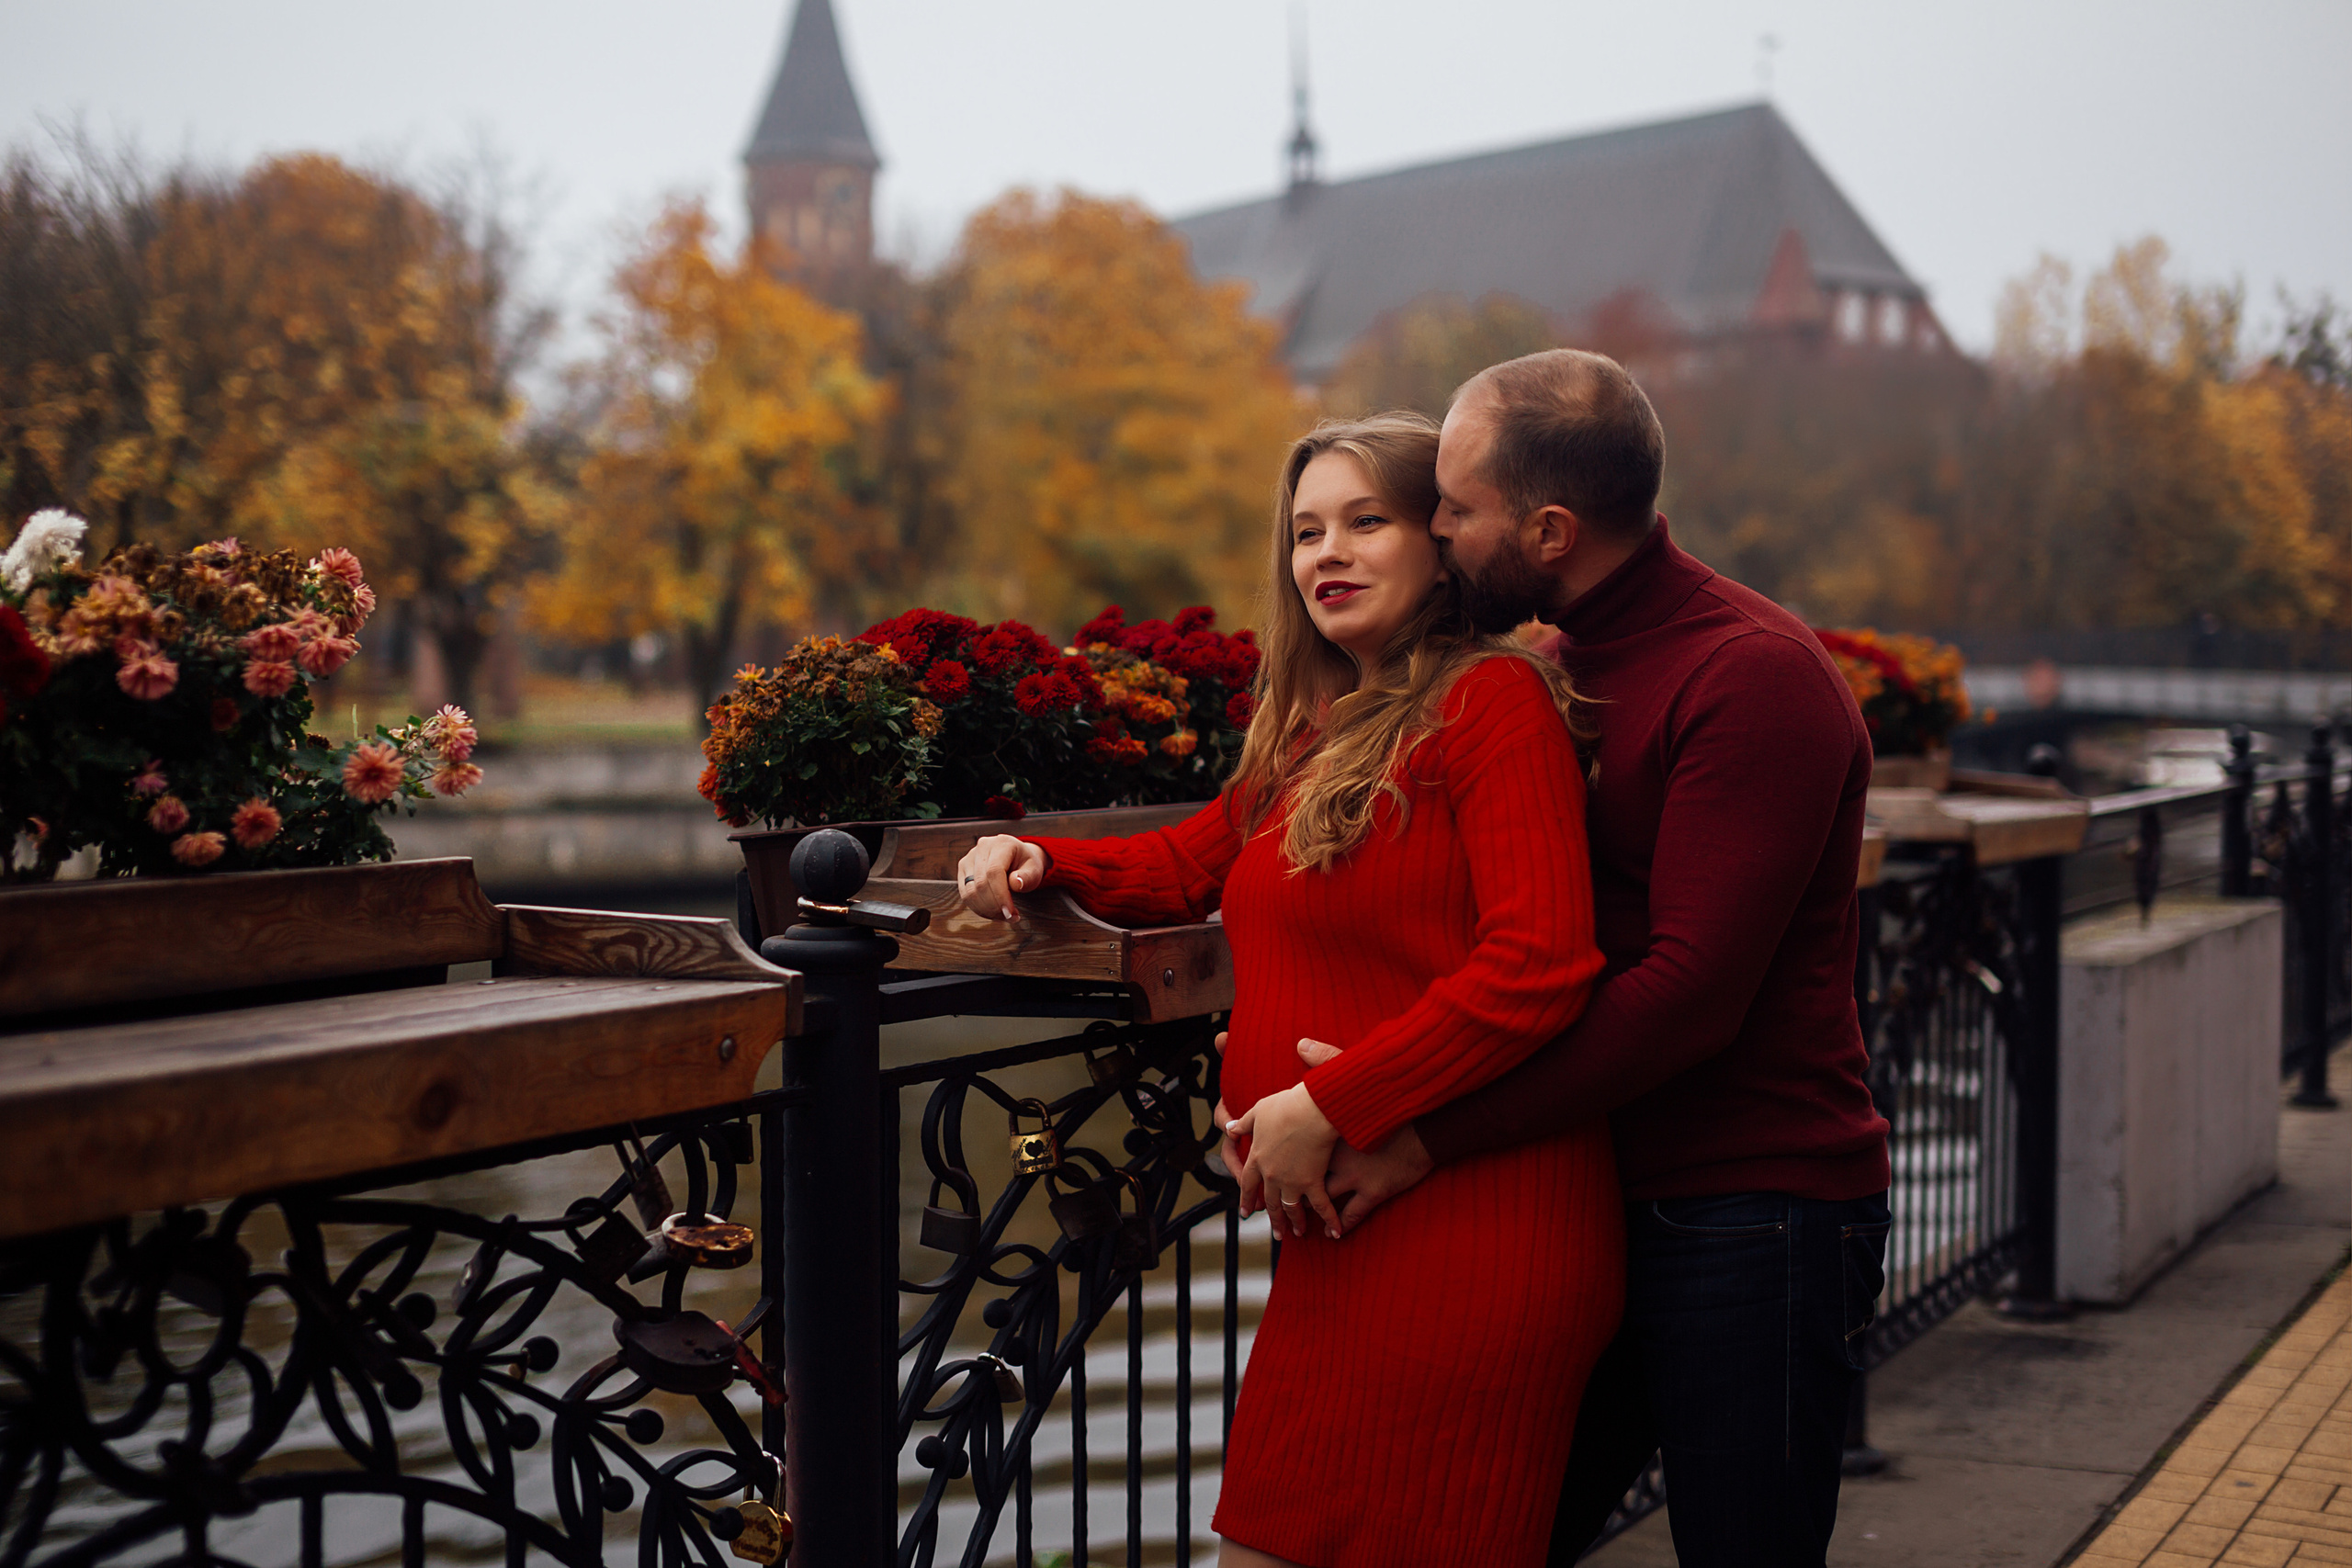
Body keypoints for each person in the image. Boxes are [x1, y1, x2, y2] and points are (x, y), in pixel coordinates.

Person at [956, 412, 1623, 1568]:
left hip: (1475, 1232)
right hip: (1348, 1240)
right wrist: (1040, 859)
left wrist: (1334, 1103)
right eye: (1308, 530)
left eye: (1368, 522)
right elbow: (1182, 866)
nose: (1329, 553)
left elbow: (1542, 961)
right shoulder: (1320, 731)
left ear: (1442, 540)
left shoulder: (1492, 703)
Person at [1286, 350, 1893, 1568]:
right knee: (1476, 1532)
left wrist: (1416, 1129)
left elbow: (1687, 998)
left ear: (1548, 529)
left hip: (1751, 1212)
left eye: (1452, 507)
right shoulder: (1549, 669)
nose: (1435, 529)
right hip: (1583, 1199)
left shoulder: (1751, 676)